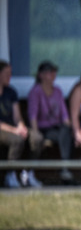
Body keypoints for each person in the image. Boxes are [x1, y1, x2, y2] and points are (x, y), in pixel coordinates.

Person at [27, 60, 75, 185]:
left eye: (54, 72)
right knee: (60, 135)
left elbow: (64, 114)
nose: (52, 74)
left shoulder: (58, 91)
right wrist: (36, 132)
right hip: (43, 128)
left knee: (67, 132)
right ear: (41, 75)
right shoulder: (35, 92)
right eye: (49, 72)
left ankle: (65, 168)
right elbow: (33, 115)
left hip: (57, 128)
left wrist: (70, 125)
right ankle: (65, 168)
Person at [0, 60, 30, 188]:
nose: (10, 77)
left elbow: (17, 116)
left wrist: (21, 126)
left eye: (11, 73)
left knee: (36, 138)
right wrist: (14, 130)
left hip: (12, 128)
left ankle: (28, 173)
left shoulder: (11, 92)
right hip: (3, 129)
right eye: (7, 73)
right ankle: (10, 174)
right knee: (17, 140)